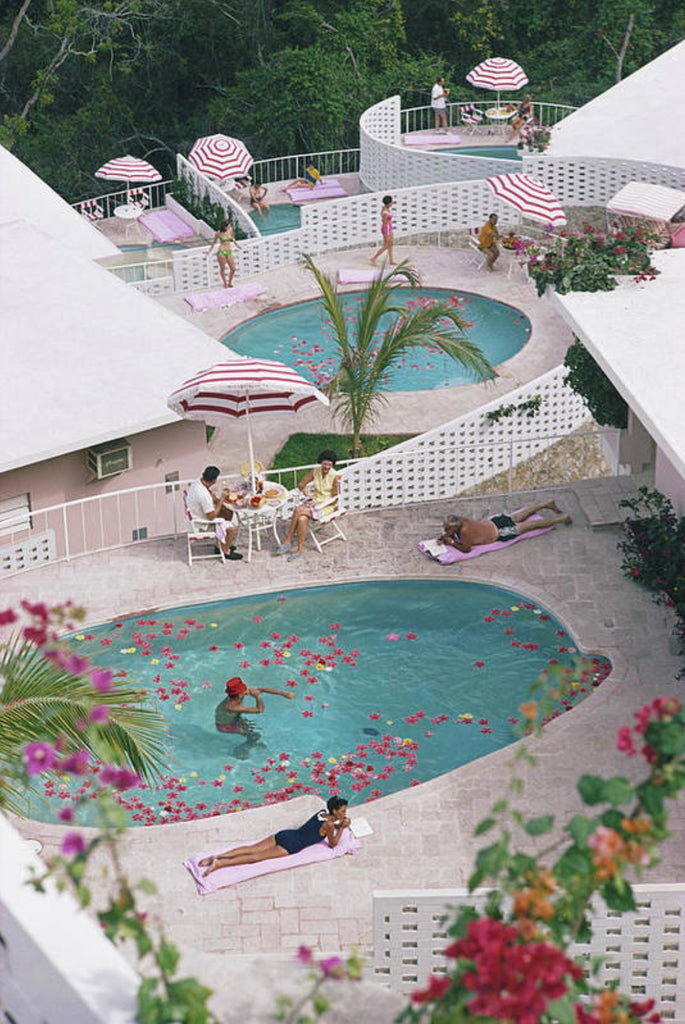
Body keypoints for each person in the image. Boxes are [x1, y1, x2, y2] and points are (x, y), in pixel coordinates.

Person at [198, 795, 351, 876]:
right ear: (335, 811)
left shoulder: (322, 813)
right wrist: (342, 828)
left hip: (286, 835)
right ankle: (219, 864)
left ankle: (217, 856)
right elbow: (332, 844)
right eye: (343, 811)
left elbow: (320, 828)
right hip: (291, 846)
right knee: (255, 858)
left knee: (251, 849)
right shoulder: (330, 825)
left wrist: (339, 823)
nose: (344, 813)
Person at [276, 450, 341, 562]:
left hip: (326, 506)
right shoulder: (315, 471)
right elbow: (301, 484)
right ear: (321, 462)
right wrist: (304, 489)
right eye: (325, 464)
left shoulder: (335, 476)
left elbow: (335, 500)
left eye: (329, 465)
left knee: (297, 510)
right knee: (301, 519)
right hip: (314, 502)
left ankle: (288, 539)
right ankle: (299, 550)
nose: (326, 467)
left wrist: (320, 503)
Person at [437, 500, 572, 553]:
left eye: (447, 528)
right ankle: (545, 504)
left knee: (529, 525)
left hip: (501, 532)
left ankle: (561, 518)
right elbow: (450, 530)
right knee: (518, 516)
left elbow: (466, 549)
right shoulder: (459, 520)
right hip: (495, 521)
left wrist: (452, 542)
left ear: (455, 527)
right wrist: (444, 537)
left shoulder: (465, 533)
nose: (446, 530)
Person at [186, 466, 243, 560]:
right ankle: (226, 551)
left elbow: (211, 496)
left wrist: (220, 500)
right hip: (200, 522)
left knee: (229, 513)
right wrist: (221, 499)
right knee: (232, 527)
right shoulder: (203, 494)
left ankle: (221, 544)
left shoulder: (198, 482)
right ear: (214, 480)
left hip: (195, 513)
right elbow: (211, 517)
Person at [209, 218, 241, 288]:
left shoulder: (230, 230)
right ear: (224, 226)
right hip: (221, 252)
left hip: (229, 251)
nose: (229, 226)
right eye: (227, 225)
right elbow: (213, 243)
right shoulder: (218, 233)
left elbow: (233, 238)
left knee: (233, 268)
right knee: (222, 268)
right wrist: (209, 251)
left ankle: (230, 282)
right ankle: (225, 283)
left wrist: (237, 245)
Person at [370, 195, 396, 266]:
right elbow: (384, 223)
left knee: (391, 244)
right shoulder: (385, 212)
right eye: (391, 202)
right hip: (386, 228)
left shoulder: (386, 209)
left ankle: (391, 260)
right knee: (386, 245)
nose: (392, 203)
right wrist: (386, 234)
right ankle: (374, 258)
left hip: (389, 227)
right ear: (389, 203)